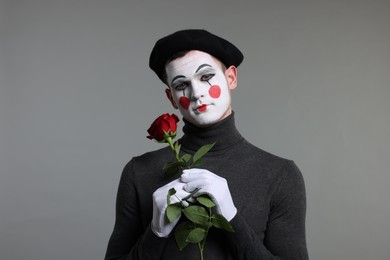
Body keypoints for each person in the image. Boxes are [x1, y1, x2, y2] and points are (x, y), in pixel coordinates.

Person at [105, 29, 308, 260]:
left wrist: (231, 218)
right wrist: (156, 233)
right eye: (181, 85)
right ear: (171, 97)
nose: (196, 93)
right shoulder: (139, 172)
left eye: (206, 77)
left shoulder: (280, 175)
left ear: (231, 78)